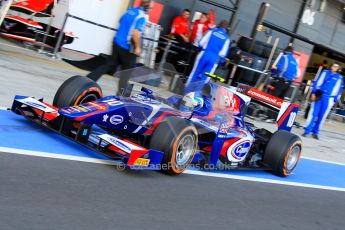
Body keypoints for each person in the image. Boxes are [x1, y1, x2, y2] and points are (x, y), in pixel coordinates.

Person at [87, 0, 153, 95]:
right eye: (151, 7)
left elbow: (120, 21)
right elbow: (135, 33)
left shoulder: (130, 10)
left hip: (117, 42)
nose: (151, 10)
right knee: (125, 75)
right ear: (146, 7)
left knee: (107, 65)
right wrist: (138, 47)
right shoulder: (142, 16)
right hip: (127, 49)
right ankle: (120, 98)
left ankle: (87, 81)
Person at [184, 20, 231, 94]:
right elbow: (223, 54)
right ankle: (195, 95)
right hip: (214, 59)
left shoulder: (212, 31)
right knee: (205, 77)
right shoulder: (227, 38)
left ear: (219, 25)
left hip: (204, 54)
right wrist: (220, 61)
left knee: (195, 72)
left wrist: (200, 48)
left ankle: (186, 92)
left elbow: (201, 42)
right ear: (226, 28)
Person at [303, 63, 344, 140]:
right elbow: (317, 83)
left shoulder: (339, 78)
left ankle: (315, 132)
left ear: (338, 69)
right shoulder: (325, 72)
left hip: (328, 99)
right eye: (333, 66)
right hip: (319, 96)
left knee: (322, 116)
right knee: (314, 114)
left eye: (336, 67)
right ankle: (307, 131)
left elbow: (339, 91)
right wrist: (313, 93)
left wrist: (335, 100)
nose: (333, 67)